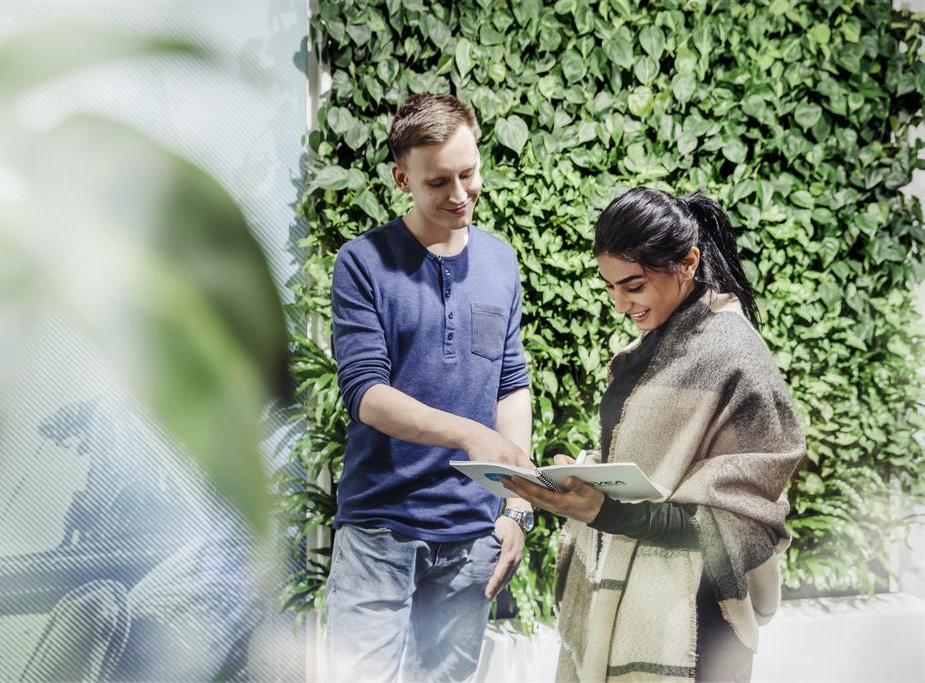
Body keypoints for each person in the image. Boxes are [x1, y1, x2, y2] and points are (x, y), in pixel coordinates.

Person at [502, 187, 804, 683]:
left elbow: (744, 522)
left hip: (696, 624)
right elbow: (650, 469)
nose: (621, 303)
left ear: (687, 262)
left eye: (634, 286)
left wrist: (600, 509)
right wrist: (585, 475)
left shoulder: (733, 354)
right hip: (630, 600)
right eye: (610, 287)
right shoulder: (653, 348)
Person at [325, 93, 536, 683]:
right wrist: (469, 435)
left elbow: (511, 384)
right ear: (402, 178)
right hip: (378, 532)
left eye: (469, 173)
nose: (461, 193)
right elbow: (366, 392)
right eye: (439, 181)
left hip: (472, 538)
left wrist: (516, 508)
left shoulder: (501, 263)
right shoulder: (363, 263)